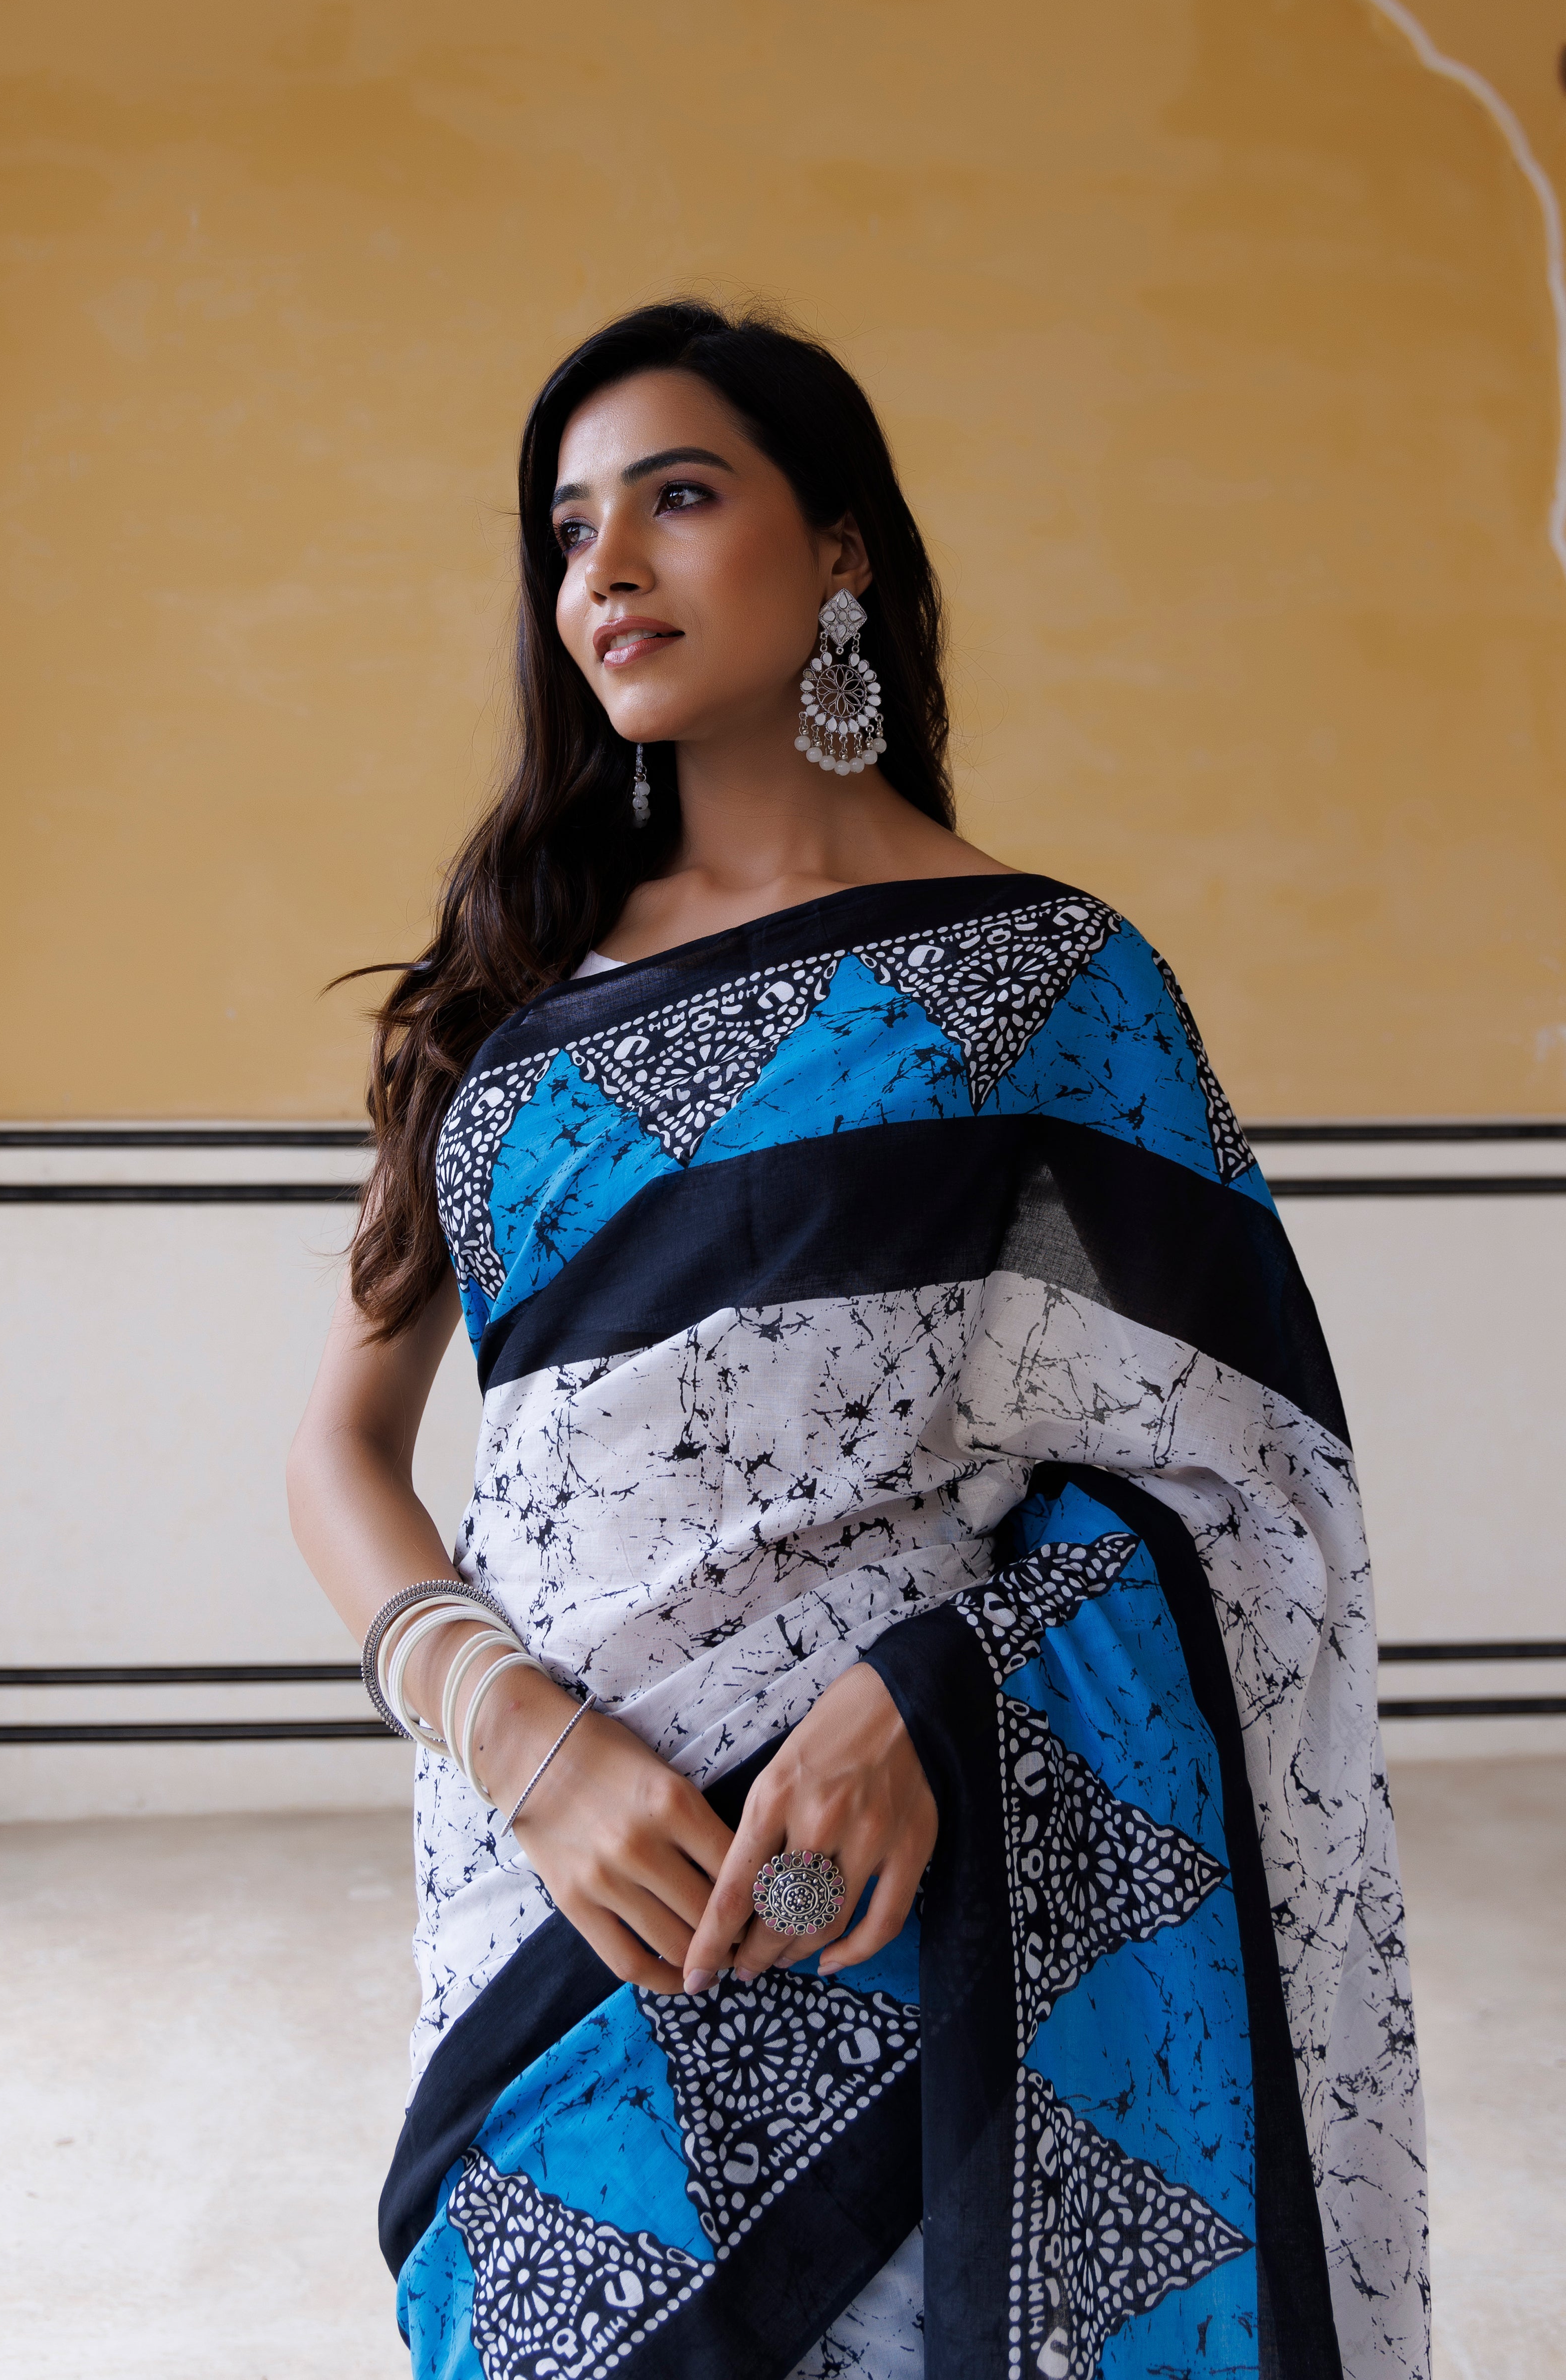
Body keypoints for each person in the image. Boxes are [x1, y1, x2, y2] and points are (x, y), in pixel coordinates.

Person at [287, 302, 1427, 2380]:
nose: (607, 567)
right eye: (570, 528)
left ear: (842, 552)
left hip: (882, 1852)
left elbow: (1248, 1486)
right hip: (551, 1870)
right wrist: (519, 1741)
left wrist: (933, 1698)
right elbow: (339, 1453)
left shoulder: (1051, 984)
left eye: (679, 496)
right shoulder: (501, 988)